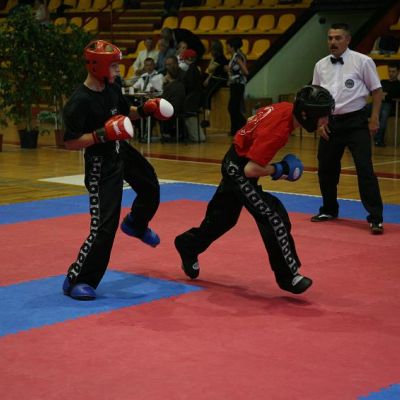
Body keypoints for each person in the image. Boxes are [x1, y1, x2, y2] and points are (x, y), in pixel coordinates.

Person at [174, 85, 335, 295]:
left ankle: (188, 245)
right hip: (240, 170)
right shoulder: (278, 132)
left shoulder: (286, 108)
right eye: (322, 116)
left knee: (223, 218)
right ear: (307, 115)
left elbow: (253, 119)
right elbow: (251, 170)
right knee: (272, 214)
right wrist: (281, 169)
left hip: (235, 159)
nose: (326, 121)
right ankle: (289, 277)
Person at [61, 40, 174, 300]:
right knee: (104, 225)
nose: (117, 70)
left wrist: (146, 110)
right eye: (113, 66)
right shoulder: (79, 101)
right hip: (100, 162)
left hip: (120, 149)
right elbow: (70, 142)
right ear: (98, 66)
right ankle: (77, 279)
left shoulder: (112, 87)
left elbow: (125, 113)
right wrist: (101, 134)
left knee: (150, 185)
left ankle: (136, 224)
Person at [311, 23, 384, 234]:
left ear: (348, 40)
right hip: (330, 122)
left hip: (356, 122)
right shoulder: (320, 65)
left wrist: (374, 118)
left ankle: (375, 218)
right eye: (330, 38)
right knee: (326, 168)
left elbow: (377, 91)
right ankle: (329, 209)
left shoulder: (363, 61)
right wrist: (320, 122)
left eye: (338, 38)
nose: (333, 42)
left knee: (365, 168)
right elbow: (316, 97)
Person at [366, 63, 400, 146]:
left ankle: (378, 140)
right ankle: (359, 137)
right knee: (361, 110)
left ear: (398, 72)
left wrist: (383, 95)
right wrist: (384, 95)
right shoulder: (383, 82)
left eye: (393, 71)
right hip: (377, 104)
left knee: (384, 112)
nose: (391, 73)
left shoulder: (398, 85)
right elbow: (372, 92)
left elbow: (395, 95)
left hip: (390, 107)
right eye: (389, 71)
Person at [202, 39, 229, 127]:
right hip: (215, 79)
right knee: (205, 95)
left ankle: (207, 120)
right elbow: (211, 72)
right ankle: (205, 118)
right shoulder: (217, 58)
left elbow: (210, 69)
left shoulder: (220, 58)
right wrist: (208, 79)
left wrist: (212, 59)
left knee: (208, 96)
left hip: (220, 80)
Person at [225, 37, 249, 136]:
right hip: (234, 84)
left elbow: (245, 71)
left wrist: (230, 70)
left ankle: (246, 126)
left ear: (232, 46)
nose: (227, 48)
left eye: (228, 46)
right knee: (233, 108)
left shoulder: (238, 57)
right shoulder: (234, 55)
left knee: (233, 108)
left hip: (238, 84)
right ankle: (235, 130)